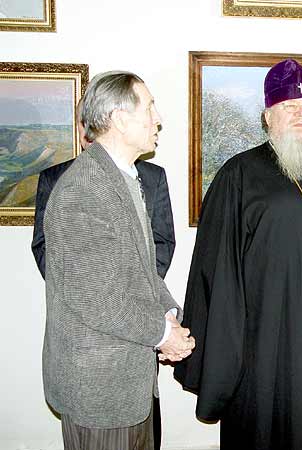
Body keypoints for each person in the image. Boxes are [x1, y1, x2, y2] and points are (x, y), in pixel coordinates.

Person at [174, 58, 302, 450]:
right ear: (268, 117)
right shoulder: (238, 176)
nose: (301, 114)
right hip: (266, 345)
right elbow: (216, 273)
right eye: (289, 106)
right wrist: (221, 358)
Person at [42, 70, 195, 450]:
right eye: (150, 107)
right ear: (120, 119)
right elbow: (100, 300)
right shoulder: (84, 189)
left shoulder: (121, 177)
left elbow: (143, 269)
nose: (158, 119)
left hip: (127, 381)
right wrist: (163, 335)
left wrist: (169, 316)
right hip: (100, 391)